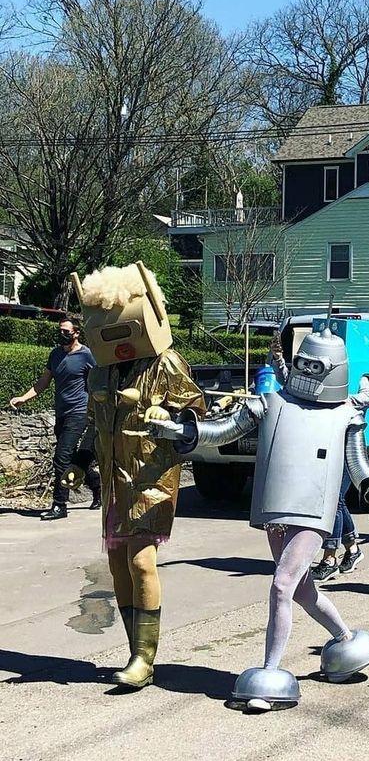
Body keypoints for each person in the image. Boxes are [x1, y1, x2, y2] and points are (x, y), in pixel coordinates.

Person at [152, 321, 369, 711]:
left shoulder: (345, 414)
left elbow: (358, 464)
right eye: (304, 364)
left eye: (316, 367)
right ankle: (345, 639)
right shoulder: (270, 402)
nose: (306, 372)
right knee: (301, 589)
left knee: (282, 586)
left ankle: (270, 672)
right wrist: (179, 430)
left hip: (312, 513)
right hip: (276, 513)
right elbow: (223, 430)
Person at [71, 263, 206, 690]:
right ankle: (136, 652)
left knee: (140, 561)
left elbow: (196, 411)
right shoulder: (103, 369)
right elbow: (96, 422)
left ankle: (144, 659)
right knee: (117, 565)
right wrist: (80, 460)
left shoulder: (166, 362)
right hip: (114, 481)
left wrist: (171, 416)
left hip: (150, 478)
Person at [269, 333, 369, 581]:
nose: (310, 375)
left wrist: (366, 380)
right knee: (337, 502)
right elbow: (288, 381)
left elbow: (368, 397)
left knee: (333, 501)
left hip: (342, 453)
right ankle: (353, 548)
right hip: (315, 453)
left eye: (317, 367)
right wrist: (278, 359)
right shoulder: (300, 391)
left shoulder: (345, 401)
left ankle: (329, 557)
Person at [9, 315, 101, 520]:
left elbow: (97, 382)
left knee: (61, 458)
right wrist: (23, 398)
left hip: (79, 413)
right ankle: (97, 487)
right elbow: (43, 382)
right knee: (71, 459)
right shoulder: (55, 354)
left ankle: (60, 505)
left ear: (76, 333)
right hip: (61, 413)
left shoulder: (87, 356)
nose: (62, 334)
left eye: (66, 332)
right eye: (60, 330)